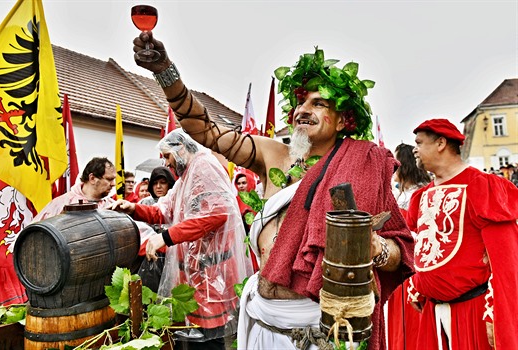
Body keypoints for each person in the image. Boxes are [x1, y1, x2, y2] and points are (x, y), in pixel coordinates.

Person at [132, 32, 414, 349]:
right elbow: (206, 132)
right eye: (299, 102)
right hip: (263, 321)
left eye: (318, 103)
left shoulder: (363, 164)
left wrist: (376, 247)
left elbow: (401, 250)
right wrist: (165, 73)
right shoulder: (273, 155)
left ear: (342, 120)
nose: (303, 109)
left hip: (321, 332)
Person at [112, 129, 253, 350]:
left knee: (208, 342)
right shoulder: (185, 178)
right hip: (194, 279)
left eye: (168, 156)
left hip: (210, 279)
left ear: (182, 148)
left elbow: (216, 214)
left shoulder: (204, 167)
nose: (167, 164)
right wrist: (133, 208)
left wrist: (165, 237)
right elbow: (165, 211)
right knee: (189, 338)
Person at [406, 118, 518, 349]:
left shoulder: (482, 186)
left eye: (419, 142)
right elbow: (422, 247)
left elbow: (506, 259)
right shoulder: (422, 196)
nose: (414, 149)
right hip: (431, 313)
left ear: (440, 143)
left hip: (473, 311)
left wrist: (494, 312)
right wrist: (417, 285)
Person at [386, 143, 431, 350]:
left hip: (415, 265)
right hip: (398, 263)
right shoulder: (397, 194)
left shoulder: (421, 193)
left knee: (414, 319)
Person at [32, 157, 116, 221]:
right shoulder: (60, 204)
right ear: (92, 178)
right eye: (109, 179)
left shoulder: (112, 205)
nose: (113, 184)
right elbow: (33, 234)